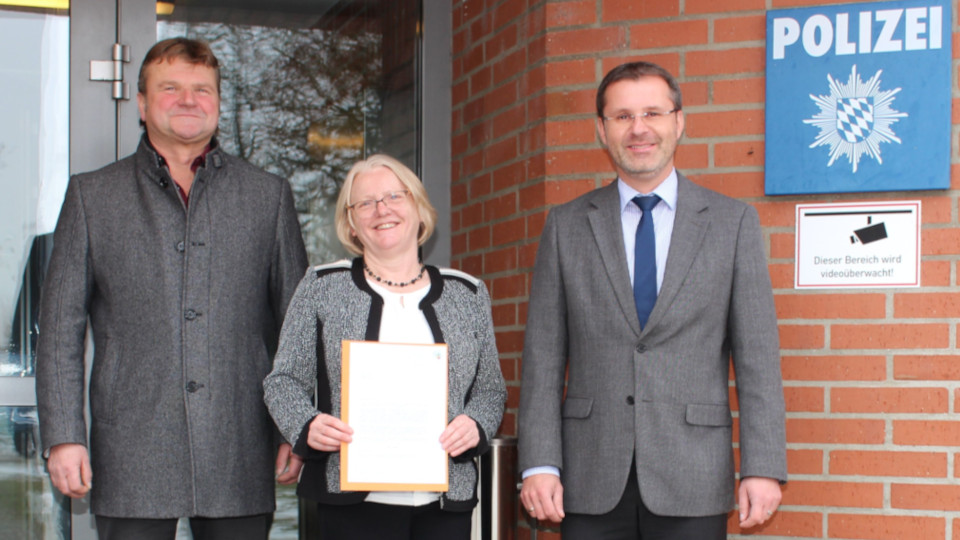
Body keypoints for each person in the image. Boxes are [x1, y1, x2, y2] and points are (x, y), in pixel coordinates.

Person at [35, 38, 308, 540]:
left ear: (219, 103)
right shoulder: (92, 196)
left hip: (239, 443)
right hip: (131, 446)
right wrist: (64, 437)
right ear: (141, 103)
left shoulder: (269, 196)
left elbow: (296, 326)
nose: (189, 99)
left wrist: (296, 426)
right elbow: (58, 330)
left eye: (202, 89)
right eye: (171, 87)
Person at [517, 61, 787, 539]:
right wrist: (539, 462)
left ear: (678, 121)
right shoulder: (566, 225)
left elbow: (757, 358)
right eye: (621, 116)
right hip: (589, 474)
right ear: (602, 130)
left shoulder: (732, 223)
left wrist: (762, 466)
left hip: (694, 474)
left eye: (652, 113)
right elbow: (542, 359)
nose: (638, 128)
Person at [263, 154, 506, 540]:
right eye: (365, 202)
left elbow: (491, 389)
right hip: (353, 505)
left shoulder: (468, 294)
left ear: (418, 208)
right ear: (352, 223)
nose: (382, 209)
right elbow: (284, 380)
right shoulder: (322, 287)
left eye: (395, 195)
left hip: (443, 503)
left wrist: (475, 425)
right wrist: (307, 425)